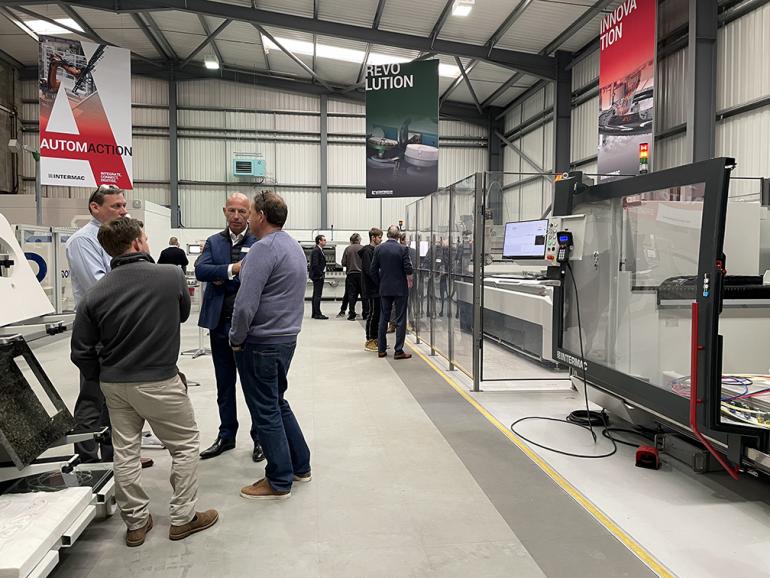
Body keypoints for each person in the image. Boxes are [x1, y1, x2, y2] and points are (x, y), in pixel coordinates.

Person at [70, 217, 218, 547]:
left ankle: (136, 523)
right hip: (160, 379)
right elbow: (182, 313)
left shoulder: (95, 293)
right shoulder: (171, 275)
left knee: (125, 452)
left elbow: (80, 350)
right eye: (146, 238)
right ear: (137, 242)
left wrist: (101, 376)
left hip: (114, 384)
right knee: (184, 446)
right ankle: (183, 518)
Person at [230, 191, 311, 500]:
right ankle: (300, 465)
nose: (247, 218)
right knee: (277, 402)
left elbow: (245, 304)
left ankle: (278, 479)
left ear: (261, 216)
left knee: (265, 411)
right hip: (285, 339)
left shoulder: (262, 250)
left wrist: (236, 338)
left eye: (250, 213)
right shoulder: (293, 247)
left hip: (261, 342)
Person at [195, 193, 263, 462]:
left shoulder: (258, 242)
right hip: (219, 324)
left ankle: (260, 437)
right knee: (224, 384)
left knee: (253, 386)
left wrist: (221, 275)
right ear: (225, 211)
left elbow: (256, 277)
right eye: (232, 210)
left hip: (248, 327)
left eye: (242, 211)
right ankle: (226, 435)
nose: (236, 216)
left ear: (250, 213)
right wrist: (233, 269)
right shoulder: (214, 241)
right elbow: (201, 270)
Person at [65, 185, 125, 464]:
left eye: (124, 205)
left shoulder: (115, 239)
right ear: (95, 208)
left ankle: (113, 457)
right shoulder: (83, 241)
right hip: (96, 329)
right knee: (93, 396)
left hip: (116, 327)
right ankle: (87, 460)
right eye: (116, 206)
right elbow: (98, 286)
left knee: (114, 398)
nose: (123, 211)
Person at [371, 225, 414, 360]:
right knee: (400, 319)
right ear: (398, 236)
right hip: (400, 289)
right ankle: (398, 350)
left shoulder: (379, 249)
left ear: (387, 235)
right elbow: (408, 269)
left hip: (384, 288)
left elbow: (373, 270)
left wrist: (380, 283)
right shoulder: (403, 249)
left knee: (383, 318)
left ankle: (381, 350)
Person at [359, 227, 383, 352]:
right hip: (372, 288)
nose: (381, 239)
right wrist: (379, 282)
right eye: (379, 237)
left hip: (376, 288)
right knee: (373, 314)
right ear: (373, 237)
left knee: (377, 314)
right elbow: (370, 271)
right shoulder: (367, 252)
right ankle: (370, 340)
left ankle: (376, 339)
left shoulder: (375, 250)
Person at [337, 233, 364, 320]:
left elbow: (343, 263)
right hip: (362, 275)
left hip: (351, 275)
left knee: (351, 295)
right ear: (359, 240)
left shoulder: (347, 249)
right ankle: (365, 314)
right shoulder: (363, 248)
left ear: (351, 240)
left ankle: (352, 314)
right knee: (364, 295)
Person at [309, 234, 328, 320]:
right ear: (319, 241)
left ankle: (315, 313)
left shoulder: (319, 250)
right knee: (317, 295)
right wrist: (320, 274)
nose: (325, 241)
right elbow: (315, 264)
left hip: (317, 275)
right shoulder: (316, 250)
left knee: (316, 295)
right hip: (317, 276)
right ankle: (317, 313)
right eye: (324, 240)